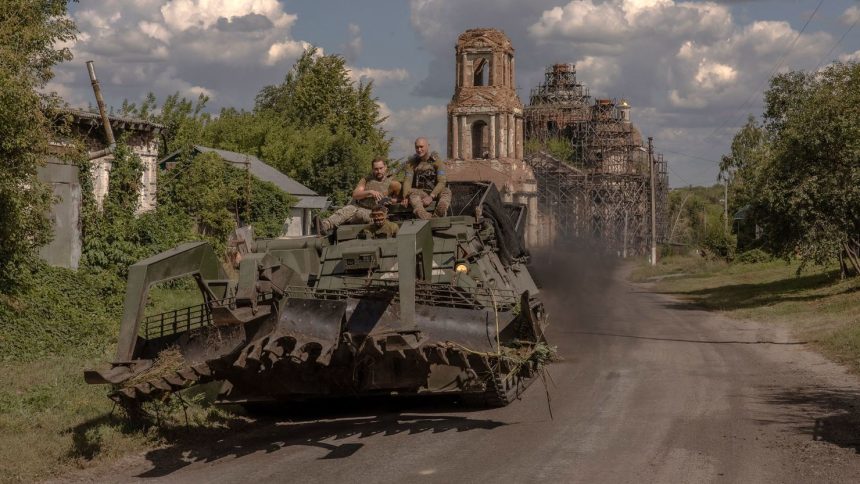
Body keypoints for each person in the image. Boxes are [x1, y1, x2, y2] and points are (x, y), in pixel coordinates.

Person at [319, 157, 401, 234]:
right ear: (372, 169)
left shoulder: (393, 183)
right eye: (376, 169)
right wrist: (370, 192)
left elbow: (398, 200)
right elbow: (355, 194)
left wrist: (388, 200)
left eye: (381, 168)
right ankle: (325, 225)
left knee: (355, 211)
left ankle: (326, 224)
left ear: (385, 167)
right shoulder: (366, 180)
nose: (379, 171)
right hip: (360, 208)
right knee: (348, 209)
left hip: (375, 214)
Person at [402, 137, 451, 220]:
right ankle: (424, 217)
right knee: (412, 193)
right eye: (417, 147)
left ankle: (437, 217)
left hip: (435, 192)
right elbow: (407, 181)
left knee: (446, 191)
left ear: (428, 146)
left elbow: (442, 182)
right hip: (420, 193)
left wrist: (431, 196)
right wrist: (405, 197)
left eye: (421, 147)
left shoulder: (437, 162)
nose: (419, 149)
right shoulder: (411, 164)